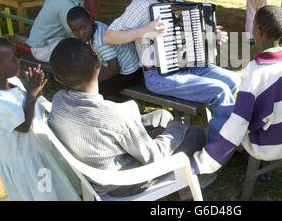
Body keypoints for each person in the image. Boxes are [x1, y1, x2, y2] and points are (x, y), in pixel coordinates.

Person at [103, 0, 241, 142]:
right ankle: (217, 148)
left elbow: (186, 38)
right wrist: (144, 30)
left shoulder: (177, 0)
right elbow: (108, 36)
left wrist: (209, 35)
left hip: (186, 65)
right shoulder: (142, 5)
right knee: (220, 90)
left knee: (233, 79)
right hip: (158, 76)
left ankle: (216, 125)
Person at [48, 38, 207, 197]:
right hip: (124, 182)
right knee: (195, 133)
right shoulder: (117, 115)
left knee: (162, 115)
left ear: (58, 78)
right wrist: (176, 126)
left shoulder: (58, 101)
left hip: (99, 163)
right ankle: (191, 181)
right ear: (97, 60)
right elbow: (154, 157)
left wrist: (150, 137)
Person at [191, 5, 282, 174]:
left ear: (258, 32)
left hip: (265, 145)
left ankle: (220, 152)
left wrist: (203, 162)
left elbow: (239, 122)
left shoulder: (256, 69)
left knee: (227, 117)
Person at [0, 37, 80, 201]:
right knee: (44, 194)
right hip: (26, 162)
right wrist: (31, 94)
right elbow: (23, 126)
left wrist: (35, 89)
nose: (18, 60)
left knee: (56, 189)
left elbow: (30, 107)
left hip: (35, 151)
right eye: (13, 59)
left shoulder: (11, 82)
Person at [67, 6, 142, 98]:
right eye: (75, 30)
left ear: (91, 20)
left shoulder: (101, 41)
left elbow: (114, 70)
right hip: (126, 64)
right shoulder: (96, 26)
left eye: (83, 28)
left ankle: (115, 102)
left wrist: (94, 80)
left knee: (96, 88)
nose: (80, 33)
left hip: (131, 72)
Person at [26, 0, 90, 62]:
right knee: (83, 53)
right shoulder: (64, 3)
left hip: (54, 41)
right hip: (43, 48)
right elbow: (77, 34)